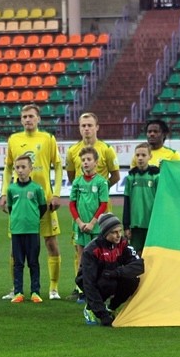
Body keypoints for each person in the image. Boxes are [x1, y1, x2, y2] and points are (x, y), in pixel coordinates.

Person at [1, 104, 64, 300]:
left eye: (31, 116)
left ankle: (53, 288)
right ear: (21, 120)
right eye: (24, 117)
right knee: (15, 247)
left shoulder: (47, 138)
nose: (27, 119)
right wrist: (4, 193)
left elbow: (58, 165)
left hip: (43, 200)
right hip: (20, 202)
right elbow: (8, 168)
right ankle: (16, 289)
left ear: (38, 119)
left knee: (51, 243)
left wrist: (56, 193)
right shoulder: (14, 139)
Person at [65, 112, 120, 300]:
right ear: (79, 128)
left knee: (104, 249)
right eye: (83, 125)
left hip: (101, 213)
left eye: (89, 125)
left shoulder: (106, 149)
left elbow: (115, 176)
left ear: (97, 127)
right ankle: (81, 286)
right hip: (81, 214)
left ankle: (104, 284)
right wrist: (86, 191)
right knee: (79, 249)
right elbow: (73, 179)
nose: (86, 128)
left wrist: (98, 191)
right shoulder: (73, 151)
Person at [77, 213, 144, 327]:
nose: (119, 235)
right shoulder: (92, 250)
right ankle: (90, 309)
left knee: (133, 280)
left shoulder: (122, 243)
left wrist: (117, 272)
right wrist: (102, 316)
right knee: (108, 283)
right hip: (91, 282)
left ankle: (111, 308)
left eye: (120, 231)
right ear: (105, 233)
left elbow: (139, 265)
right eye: (114, 232)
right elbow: (88, 284)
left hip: (110, 277)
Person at [6, 154, 48, 304]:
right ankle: (18, 292)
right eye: (17, 167)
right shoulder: (11, 189)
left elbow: (43, 207)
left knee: (33, 262)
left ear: (30, 169)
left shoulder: (36, 189)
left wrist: (33, 219)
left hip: (32, 231)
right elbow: (11, 208)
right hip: (17, 231)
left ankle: (35, 292)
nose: (20, 170)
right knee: (18, 263)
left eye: (23, 167)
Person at [69, 147, 110, 296]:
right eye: (83, 160)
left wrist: (92, 223)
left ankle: (99, 289)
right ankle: (83, 289)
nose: (85, 162)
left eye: (88, 160)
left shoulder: (101, 182)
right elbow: (72, 204)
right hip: (80, 226)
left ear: (96, 162)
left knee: (98, 257)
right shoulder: (77, 182)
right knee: (82, 257)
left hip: (96, 227)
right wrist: (80, 223)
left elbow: (103, 204)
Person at [123, 142, 160, 256]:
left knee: (151, 255)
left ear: (150, 156)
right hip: (136, 225)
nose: (140, 158)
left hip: (152, 224)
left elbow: (161, 202)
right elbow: (127, 202)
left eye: (143, 155)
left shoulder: (156, 176)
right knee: (135, 256)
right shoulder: (130, 177)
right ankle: (136, 275)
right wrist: (126, 226)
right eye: (137, 155)